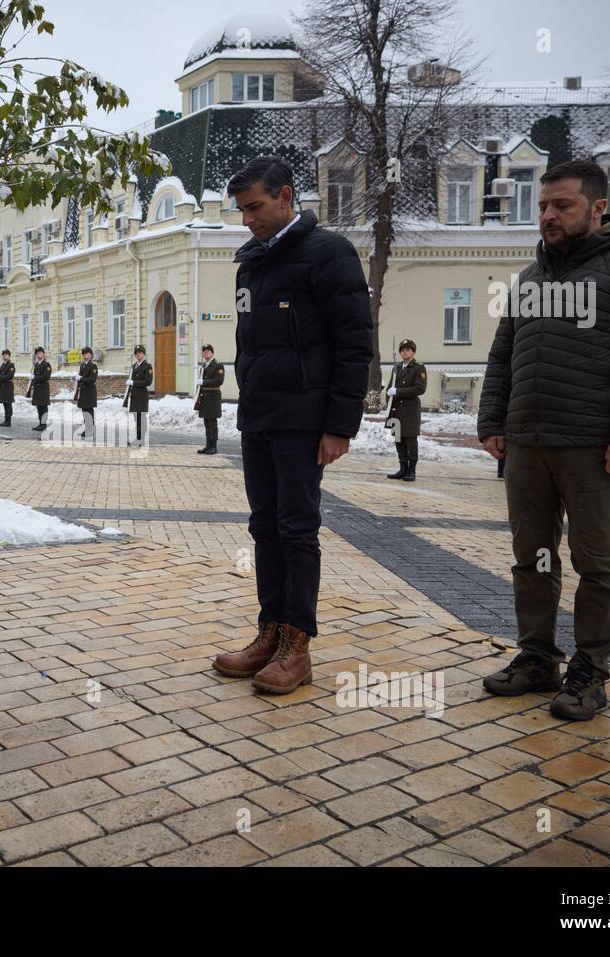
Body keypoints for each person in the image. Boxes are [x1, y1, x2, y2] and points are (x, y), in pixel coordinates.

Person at [477, 159, 610, 721]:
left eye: (561, 205)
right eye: (543, 206)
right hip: (527, 444)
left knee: (597, 562)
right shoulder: (531, 278)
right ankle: (537, 656)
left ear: (597, 207)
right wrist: (493, 422)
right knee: (532, 557)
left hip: (594, 448)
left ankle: (590, 671)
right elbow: (502, 356)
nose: (547, 216)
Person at [210, 155, 372, 695]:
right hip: (260, 417)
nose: (247, 220)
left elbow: (355, 345)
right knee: (264, 527)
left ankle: (296, 646)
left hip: (305, 421)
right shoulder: (252, 262)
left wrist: (339, 424)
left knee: (297, 529)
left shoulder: (329, 253)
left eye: (255, 207)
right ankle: (269, 632)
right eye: (241, 211)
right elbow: (250, 343)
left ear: (286, 196)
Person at [385, 339, 426, 482]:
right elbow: (390, 387)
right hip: (396, 409)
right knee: (398, 440)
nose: (405, 352)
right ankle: (402, 469)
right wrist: (388, 400)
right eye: (402, 350)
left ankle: (411, 470)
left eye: (408, 350)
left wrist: (398, 391)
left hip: (409, 411)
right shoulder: (397, 367)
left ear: (413, 352)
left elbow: (420, 388)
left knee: (410, 441)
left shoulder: (418, 368)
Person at [195, 343, 224, 454]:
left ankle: (214, 446)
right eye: (204, 351)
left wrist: (204, 382)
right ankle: (208, 445)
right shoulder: (204, 367)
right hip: (205, 397)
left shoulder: (218, 366)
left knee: (212, 423)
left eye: (208, 351)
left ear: (212, 353)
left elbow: (219, 381)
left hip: (213, 397)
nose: (206, 353)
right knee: (206, 422)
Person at [124, 345, 152, 446]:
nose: (138, 354)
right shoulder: (134, 366)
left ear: (144, 354)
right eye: (136, 353)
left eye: (140, 353)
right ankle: (138, 438)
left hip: (142, 396)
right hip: (134, 396)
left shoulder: (147, 366)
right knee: (137, 418)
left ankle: (142, 439)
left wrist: (134, 383)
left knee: (141, 418)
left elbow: (148, 381)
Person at [76, 346, 98, 442]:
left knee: (89, 412)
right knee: (85, 412)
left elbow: (92, 379)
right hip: (83, 392)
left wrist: (81, 379)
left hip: (89, 392)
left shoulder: (93, 366)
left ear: (91, 355)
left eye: (87, 353)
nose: (86, 355)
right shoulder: (82, 365)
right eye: (84, 354)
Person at [29, 347, 51, 432]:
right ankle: (40, 423)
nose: (39, 355)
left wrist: (35, 377)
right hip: (37, 389)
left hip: (43, 389)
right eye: (37, 353)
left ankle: (44, 424)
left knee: (43, 407)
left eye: (40, 353)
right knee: (39, 407)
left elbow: (46, 376)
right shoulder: (36, 365)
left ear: (43, 354)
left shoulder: (46, 365)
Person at [0, 350, 15, 426]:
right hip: (3, 387)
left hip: (8, 387)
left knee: (8, 404)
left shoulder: (11, 365)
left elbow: (10, 375)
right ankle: (6, 420)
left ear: (9, 356)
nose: (4, 356)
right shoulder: (2, 365)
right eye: (3, 355)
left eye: (6, 355)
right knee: (5, 404)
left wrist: (0, 377)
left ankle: (8, 420)